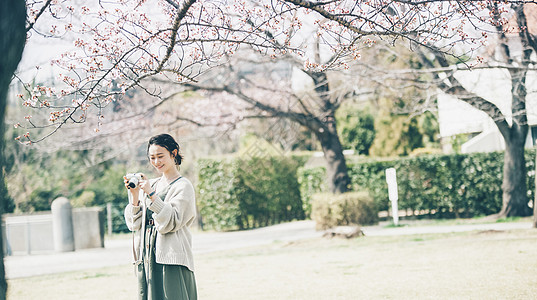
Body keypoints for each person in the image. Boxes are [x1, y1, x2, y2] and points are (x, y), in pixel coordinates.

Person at [124, 133, 197, 300]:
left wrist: (151, 194)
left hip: (172, 256)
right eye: (152, 157)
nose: (157, 162)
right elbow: (133, 224)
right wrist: (135, 195)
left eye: (160, 156)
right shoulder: (153, 184)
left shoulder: (183, 186)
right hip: (148, 255)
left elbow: (171, 222)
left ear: (174, 153)